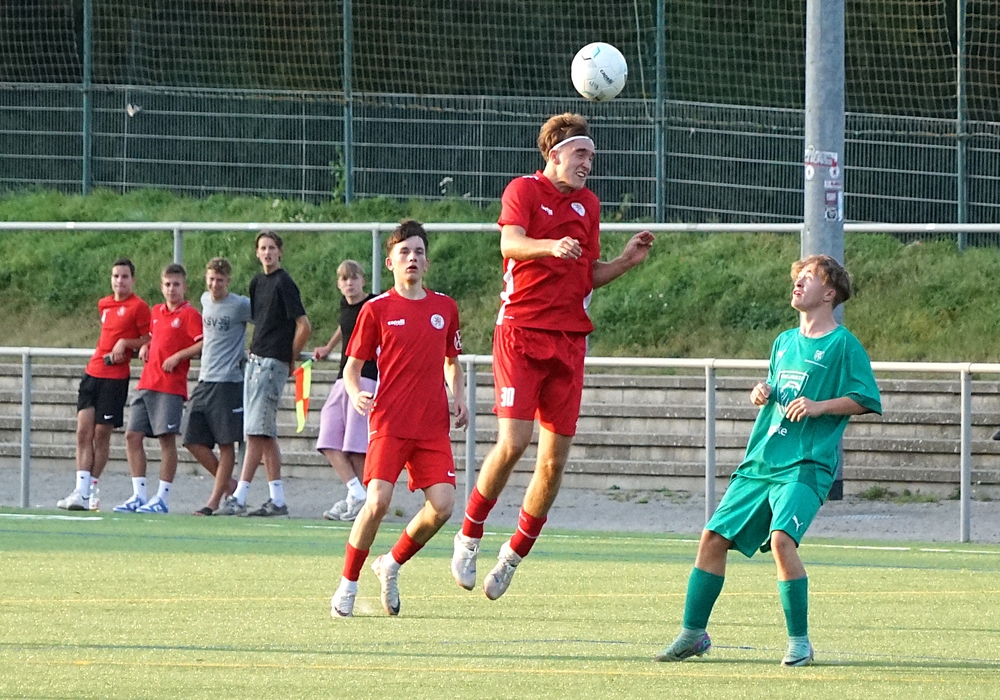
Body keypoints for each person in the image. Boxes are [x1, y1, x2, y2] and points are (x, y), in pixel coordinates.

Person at [451, 112, 654, 600]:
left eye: (591, 156)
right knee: (514, 442)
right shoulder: (522, 190)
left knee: (552, 463)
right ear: (555, 154)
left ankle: (513, 556)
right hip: (521, 333)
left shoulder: (589, 204)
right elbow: (511, 242)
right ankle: (469, 535)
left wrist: (625, 262)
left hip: (569, 340)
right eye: (581, 153)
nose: (589, 163)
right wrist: (549, 246)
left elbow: (586, 274)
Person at [655, 254, 882, 667]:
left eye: (809, 277)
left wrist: (820, 406)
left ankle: (800, 643)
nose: (799, 283)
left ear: (829, 294)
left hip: (805, 465)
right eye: (798, 277)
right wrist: (763, 391)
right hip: (761, 460)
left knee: (781, 540)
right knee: (713, 538)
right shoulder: (784, 341)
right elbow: (780, 387)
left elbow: (867, 398)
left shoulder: (843, 345)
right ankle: (692, 635)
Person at [330, 220, 467, 618]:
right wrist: (356, 393)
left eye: (419, 252)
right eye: (404, 252)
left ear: (427, 263)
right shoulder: (375, 310)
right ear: (390, 262)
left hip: (432, 425)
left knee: (443, 506)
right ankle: (347, 584)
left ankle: (390, 563)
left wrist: (458, 396)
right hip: (390, 421)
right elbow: (352, 369)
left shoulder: (445, 308)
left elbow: (452, 362)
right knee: (377, 502)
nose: (412, 258)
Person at [217, 230, 311, 517]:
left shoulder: (284, 283)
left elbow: (303, 325)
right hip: (255, 361)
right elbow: (262, 323)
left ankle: (240, 495)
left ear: (280, 251)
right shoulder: (257, 283)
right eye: (263, 248)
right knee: (265, 432)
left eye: (272, 247)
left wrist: (289, 357)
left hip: (272, 363)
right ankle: (277, 498)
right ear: (257, 252)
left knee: (256, 431)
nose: (267, 253)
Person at [57, 258, 151, 511]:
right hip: (93, 372)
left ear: (133, 280)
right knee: (83, 432)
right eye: (116, 276)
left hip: (115, 378)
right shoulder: (104, 304)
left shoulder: (139, 306)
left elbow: (148, 339)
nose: (120, 281)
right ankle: (80, 489)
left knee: (101, 434)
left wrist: (125, 344)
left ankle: (89, 489)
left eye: (124, 276)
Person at [113, 263, 204, 514]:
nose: (171, 289)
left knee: (166, 439)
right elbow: (155, 337)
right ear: (161, 287)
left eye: (176, 284)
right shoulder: (156, 311)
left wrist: (178, 356)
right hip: (147, 382)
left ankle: (162, 497)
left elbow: (202, 343)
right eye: (167, 284)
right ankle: (138, 494)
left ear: (184, 287)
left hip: (170, 386)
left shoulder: (190, 315)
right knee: (132, 435)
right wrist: (146, 346)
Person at [182, 257, 252, 515]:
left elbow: (266, 319)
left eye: (220, 280)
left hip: (228, 381)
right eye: (211, 279)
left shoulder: (240, 305)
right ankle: (229, 485)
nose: (214, 285)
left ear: (228, 281)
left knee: (226, 444)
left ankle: (213, 501)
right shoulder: (204, 301)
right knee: (191, 439)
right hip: (205, 378)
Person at [312, 260, 378, 521]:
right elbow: (344, 325)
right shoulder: (345, 305)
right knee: (329, 438)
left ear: (363, 280)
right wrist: (329, 346)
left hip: (366, 377)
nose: (349, 283)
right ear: (339, 284)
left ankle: (365, 500)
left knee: (356, 446)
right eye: (344, 279)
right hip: (344, 377)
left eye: (354, 278)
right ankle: (356, 492)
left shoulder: (373, 304)